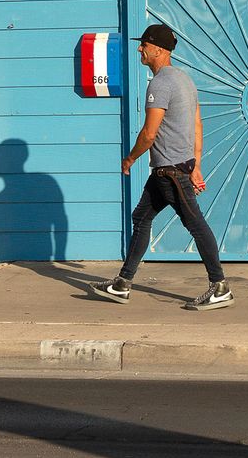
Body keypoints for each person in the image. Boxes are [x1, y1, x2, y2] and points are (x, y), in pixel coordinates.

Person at [98, 23, 232, 309]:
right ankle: (122, 284)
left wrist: (130, 158)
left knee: (196, 224)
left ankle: (219, 286)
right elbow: (197, 124)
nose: (139, 49)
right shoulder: (185, 80)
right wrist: (196, 165)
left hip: (169, 172)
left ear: (158, 49)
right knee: (141, 217)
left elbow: (149, 133)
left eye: (144, 44)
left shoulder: (159, 84)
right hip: (171, 170)